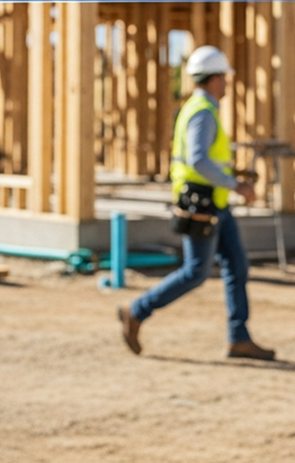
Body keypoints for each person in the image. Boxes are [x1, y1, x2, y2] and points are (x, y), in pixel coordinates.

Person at [118, 46, 275, 360]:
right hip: (201, 203)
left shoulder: (202, 107)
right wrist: (236, 185)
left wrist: (232, 174)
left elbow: (205, 159)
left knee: (237, 266)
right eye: (225, 78)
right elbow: (198, 160)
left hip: (214, 204)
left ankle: (239, 337)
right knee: (195, 272)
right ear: (216, 79)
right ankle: (136, 311)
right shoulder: (203, 110)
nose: (227, 83)